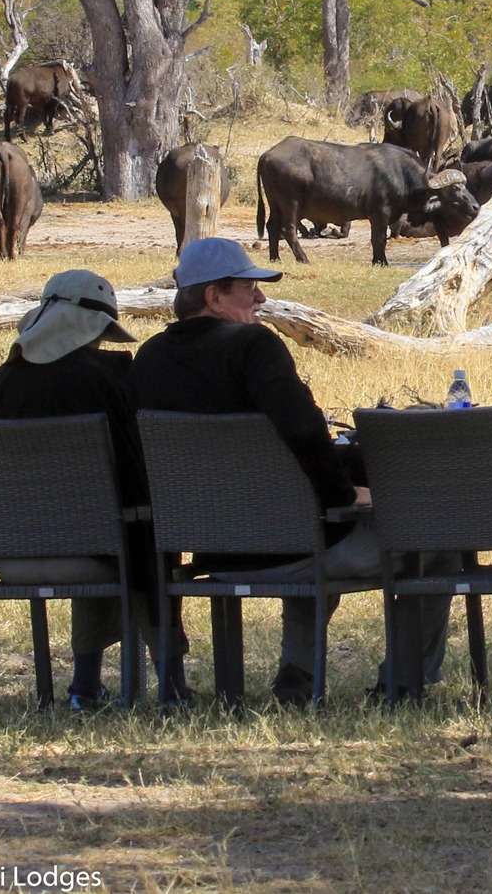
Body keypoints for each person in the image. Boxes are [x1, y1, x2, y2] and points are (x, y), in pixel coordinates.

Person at [129, 237, 452, 705]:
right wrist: (345, 495)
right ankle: (404, 683)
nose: (261, 298)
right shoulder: (253, 345)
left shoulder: (150, 357)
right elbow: (303, 431)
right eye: (249, 288)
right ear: (214, 297)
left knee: (307, 526)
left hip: (214, 554)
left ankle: (299, 676)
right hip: (291, 549)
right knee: (441, 538)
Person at [0, 270, 187, 711]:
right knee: (137, 536)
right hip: (95, 554)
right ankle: (171, 687)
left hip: (8, 559)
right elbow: (136, 474)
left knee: (108, 531)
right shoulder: (107, 382)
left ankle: (84, 687)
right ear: (96, 329)